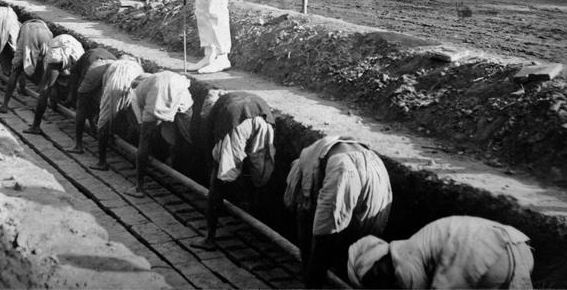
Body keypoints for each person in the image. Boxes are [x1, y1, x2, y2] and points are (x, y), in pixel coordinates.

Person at [284, 135, 393, 287]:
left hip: (345, 170)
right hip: (376, 167)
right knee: (359, 250)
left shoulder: (308, 168)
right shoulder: (317, 154)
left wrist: (310, 277)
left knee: (326, 239)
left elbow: (317, 231)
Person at [347, 216, 534, 289]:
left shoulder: (402, 259)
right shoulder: (419, 242)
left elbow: (416, 287)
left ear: (377, 268)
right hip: (520, 248)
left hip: (485, 256)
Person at [191, 91, 276, 250]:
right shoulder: (229, 98)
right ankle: (257, 227)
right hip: (263, 119)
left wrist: (217, 170)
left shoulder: (214, 113)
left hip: (237, 123)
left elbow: (211, 148)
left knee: (217, 181)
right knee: (259, 172)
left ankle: (209, 239)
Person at [126, 70, 193, 198]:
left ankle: (139, 187)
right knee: (187, 137)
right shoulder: (155, 79)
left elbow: (142, 126)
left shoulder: (136, 93)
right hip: (181, 91)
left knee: (144, 141)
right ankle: (182, 174)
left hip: (161, 94)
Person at [90, 58, 145, 170]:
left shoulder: (114, 65)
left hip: (114, 86)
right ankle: (141, 158)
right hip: (135, 87)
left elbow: (105, 86)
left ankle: (102, 162)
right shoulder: (138, 67)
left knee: (103, 122)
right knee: (138, 122)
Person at [24, 34, 84, 135]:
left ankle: (35, 126)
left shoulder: (54, 62)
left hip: (64, 50)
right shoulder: (71, 67)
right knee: (50, 87)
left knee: (46, 89)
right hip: (74, 51)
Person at [0, 18, 54, 114]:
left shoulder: (23, 27)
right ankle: (43, 102)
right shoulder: (45, 26)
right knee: (46, 66)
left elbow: (21, 56)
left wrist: (21, 78)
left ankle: (4, 105)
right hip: (46, 34)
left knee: (16, 68)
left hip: (29, 32)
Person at [68, 47, 117, 153]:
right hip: (114, 67)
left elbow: (76, 84)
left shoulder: (78, 65)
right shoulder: (105, 53)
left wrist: (72, 100)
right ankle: (108, 135)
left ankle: (78, 146)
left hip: (97, 67)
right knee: (106, 103)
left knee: (81, 106)